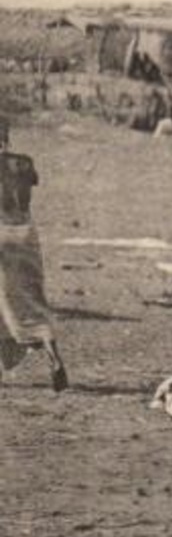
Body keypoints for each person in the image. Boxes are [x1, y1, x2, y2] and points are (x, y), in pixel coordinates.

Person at [0, 120, 68, 391]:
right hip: (25, 231)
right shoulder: (25, 162)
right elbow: (33, 181)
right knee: (31, 296)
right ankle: (53, 354)